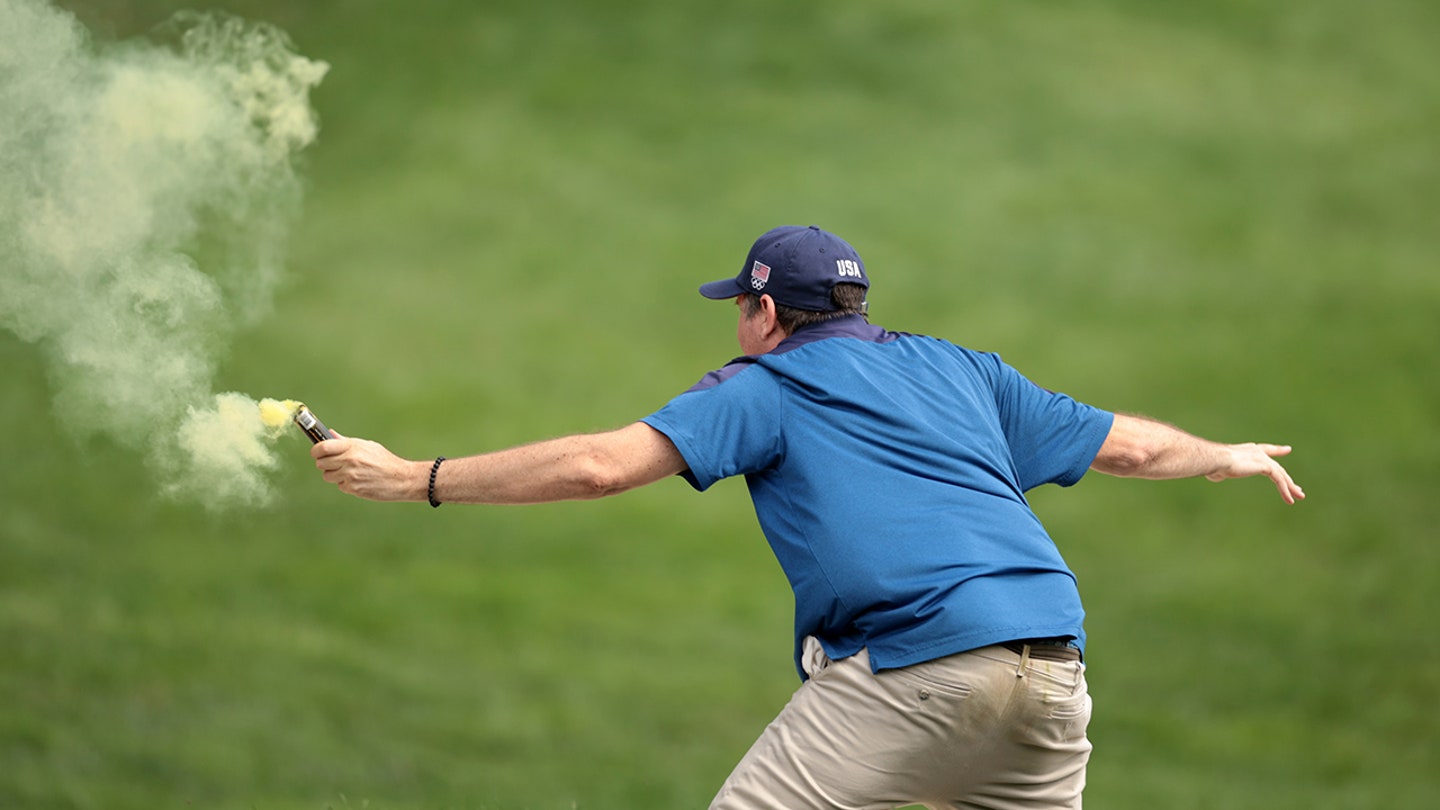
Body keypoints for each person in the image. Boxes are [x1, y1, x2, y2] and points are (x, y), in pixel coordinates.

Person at [311, 224, 1304, 810]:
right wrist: (1227, 454)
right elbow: (1131, 446)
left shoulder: (769, 383)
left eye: (737, 309)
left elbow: (599, 467)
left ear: (767, 314)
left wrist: (415, 476)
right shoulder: (963, 368)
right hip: (1054, 675)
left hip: (914, 665)